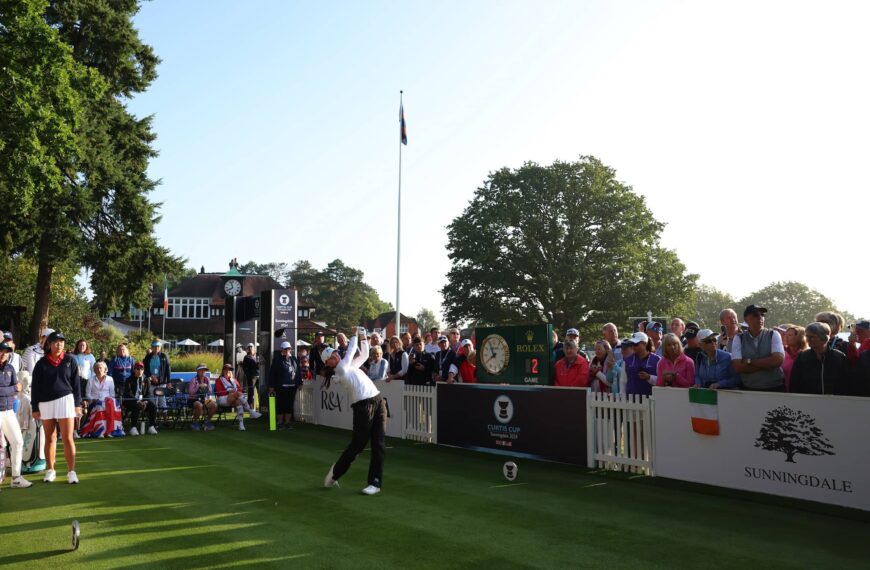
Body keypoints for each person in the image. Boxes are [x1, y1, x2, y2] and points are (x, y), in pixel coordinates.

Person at [322, 328, 386, 495]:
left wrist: (363, 335)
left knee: (378, 444)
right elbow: (351, 350)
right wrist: (355, 333)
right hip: (363, 407)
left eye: (334, 353)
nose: (335, 356)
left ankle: (375, 483)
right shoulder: (341, 370)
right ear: (328, 364)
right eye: (330, 357)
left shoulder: (348, 366)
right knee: (357, 446)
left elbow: (364, 354)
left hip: (378, 401)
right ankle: (335, 473)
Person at [31, 331, 81, 484]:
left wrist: (77, 405)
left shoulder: (70, 360)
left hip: (66, 400)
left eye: (62, 341)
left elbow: (76, 385)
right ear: (49, 344)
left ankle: (71, 472)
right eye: (56, 342)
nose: (59, 344)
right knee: (50, 438)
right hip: (45, 402)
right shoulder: (41, 363)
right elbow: (35, 387)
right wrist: (35, 408)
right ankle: (50, 470)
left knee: (67, 438)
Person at [731, 305, 785, 392]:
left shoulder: (773, 334)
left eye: (762, 315)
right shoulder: (738, 338)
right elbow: (738, 367)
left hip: (775, 389)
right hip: (749, 390)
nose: (760, 318)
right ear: (746, 319)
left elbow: (778, 361)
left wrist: (749, 361)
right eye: (755, 315)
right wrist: (768, 365)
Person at [0, 342, 32, 488]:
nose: (3, 354)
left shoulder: (10, 368)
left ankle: (16, 478)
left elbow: (17, 390)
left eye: (6, 352)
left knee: (18, 442)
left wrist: (11, 389)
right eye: (1, 351)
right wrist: (12, 388)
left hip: (8, 411)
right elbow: (14, 388)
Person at [790, 322, 851, 395]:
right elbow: (794, 383)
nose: (808, 339)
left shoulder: (839, 357)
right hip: (808, 401)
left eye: (812, 337)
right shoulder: (802, 357)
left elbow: (846, 383)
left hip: (834, 402)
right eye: (807, 336)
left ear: (824, 338)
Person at [215, 364, 261, 431]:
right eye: (226, 369)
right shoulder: (218, 380)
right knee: (237, 394)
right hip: (222, 398)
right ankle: (250, 411)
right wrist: (229, 392)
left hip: (234, 398)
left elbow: (240, 390)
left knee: (238, 402)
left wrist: (234, 393)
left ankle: (241, 424)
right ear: (223, 370)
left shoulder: (234, 380)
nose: (228, 371)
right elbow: (219, 392)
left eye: (230, 370)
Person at [268, 341, 301, 429]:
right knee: (281, 405)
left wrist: (299, 382)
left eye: (289, 349)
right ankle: (279, 423)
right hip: (281, 386)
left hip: (292, 386)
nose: (287, 350)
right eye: (286, 349)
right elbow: (272, 373)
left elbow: (298, 371)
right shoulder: (277, 359)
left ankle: (287, 423)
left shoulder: (294, 359)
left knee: (289, 405)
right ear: (281, 349)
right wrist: (271, 386)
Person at [122, 362, 158, 436]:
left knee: (153, 406)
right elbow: (129, 394)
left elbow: (148, 393)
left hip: (143, 400)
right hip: (130, 401)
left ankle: (151, 426)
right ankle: (133, 427)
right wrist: (138, 401)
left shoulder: (146, 380)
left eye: (142, 369)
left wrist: (145, 401)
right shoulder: (129, 380)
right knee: (136, 406)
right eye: (138, 369)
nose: (140, 371)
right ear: (134, 370)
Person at [624, 332, 660, 396]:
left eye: (636, 344)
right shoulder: (627, 360)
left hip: (651, 400)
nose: (633, 346)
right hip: (631, 401)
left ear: (644, 344)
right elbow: (623, 382)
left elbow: (661, 381)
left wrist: (649, 377)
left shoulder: (657, 360)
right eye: (632, 344)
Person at [143, 340, 171, 415]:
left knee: (162, 399)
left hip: (161, 382)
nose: (156, 348)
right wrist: (151, 376)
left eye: (158, 346)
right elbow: (145, 369)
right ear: (152, 347)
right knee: (152, 400)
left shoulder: (164, 356)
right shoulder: (148, 357)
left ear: (160, 347)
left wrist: (168, 381)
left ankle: (164, 417)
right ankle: (154, 418)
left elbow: (168, 369)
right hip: (151, 382)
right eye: (155, 346)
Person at [188, 364, 217, 431]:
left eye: (204, 370)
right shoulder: (193, 380)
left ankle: (207, 421)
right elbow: (190, 392)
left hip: (204, 399)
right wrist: (198, 386)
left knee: (214, 405)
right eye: (201, 370)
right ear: (198, 371)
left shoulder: (207, 379)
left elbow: (210, 391)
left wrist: (206, 386)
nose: (203, 372)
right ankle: (195, 422)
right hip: (194, 399)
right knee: (199, 405)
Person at [781, 325, 807, 391]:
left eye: (789, 335)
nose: (785, 337)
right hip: (783, 392)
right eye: (785, 334)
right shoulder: (782, 353)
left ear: (799, 337)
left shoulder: (806, 355)